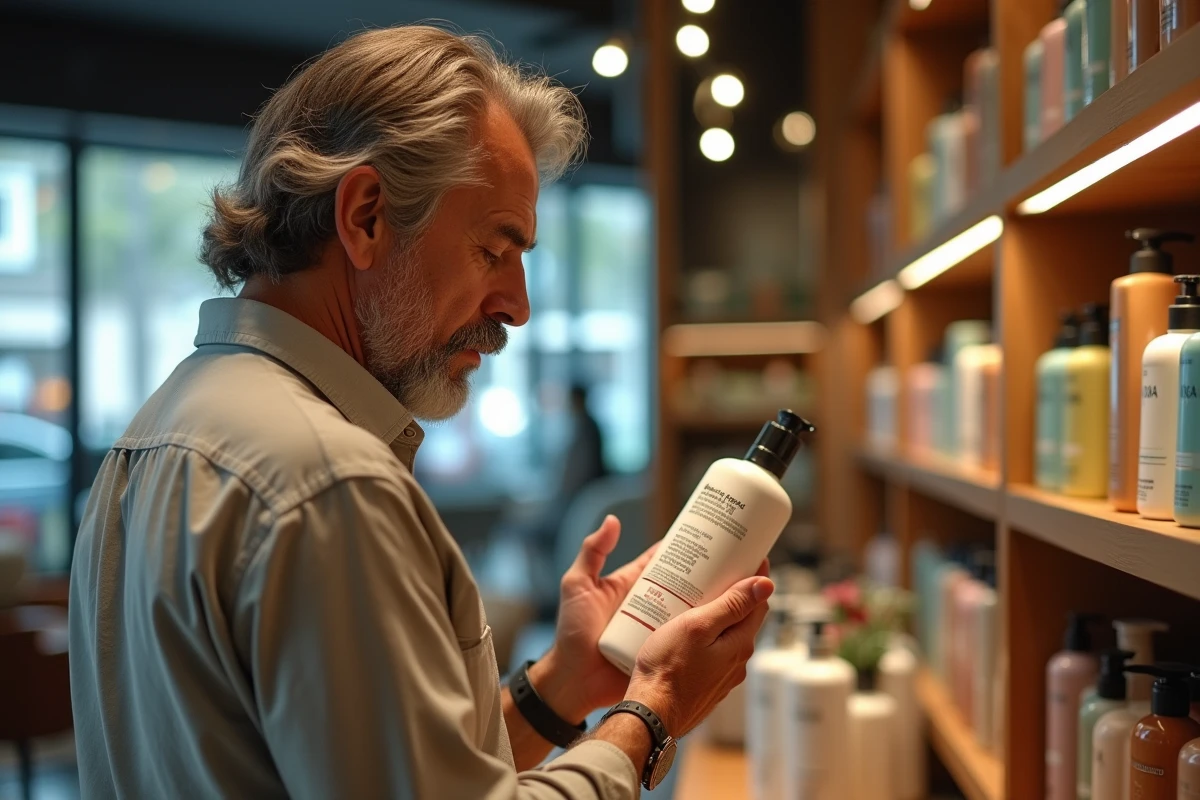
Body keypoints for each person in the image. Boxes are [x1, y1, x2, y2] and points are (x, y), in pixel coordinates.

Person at [68, 25, 773, 799]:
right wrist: (655, 711)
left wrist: (569, 680)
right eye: (495, 250)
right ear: (367, 215)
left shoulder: (154, 435)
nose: (518, 306)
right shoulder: (330, 483)